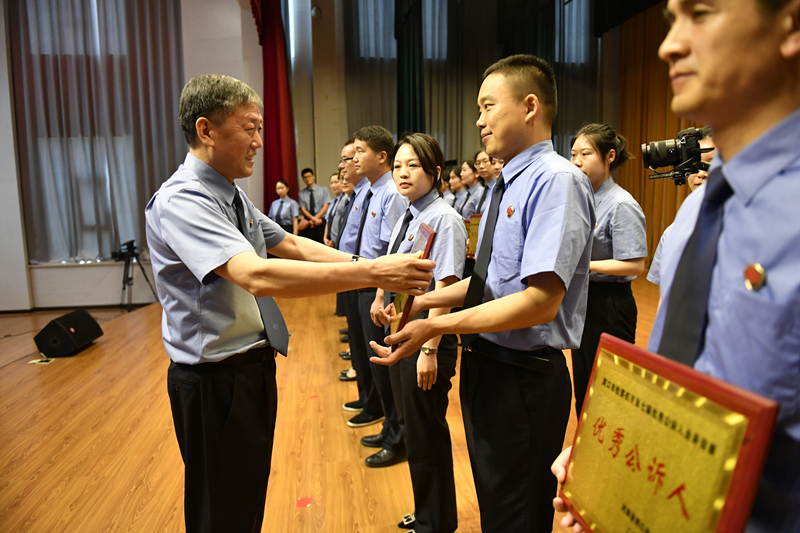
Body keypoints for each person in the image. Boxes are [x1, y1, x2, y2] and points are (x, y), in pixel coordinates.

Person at [144, 74, 435, 533]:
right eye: (250, 127)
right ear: (206, 130)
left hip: (249, 367)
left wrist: (371, 264)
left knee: (243, 498)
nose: (259, 141)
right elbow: (255, 274)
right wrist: (375, 272)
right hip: (212, 380)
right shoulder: (184, 199)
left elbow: (294, 247)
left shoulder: (230, 194)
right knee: (219, 509)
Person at [554, 0, 800, 531]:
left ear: (791, 24)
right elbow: (679, 378)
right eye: (671, 20)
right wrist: (607, 468)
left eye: (702, 14)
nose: (669, 45)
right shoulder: (695, 211)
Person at [372, 54, 595, 533]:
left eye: (488, 106)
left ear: (530, 106)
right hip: (488, 368)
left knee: (516, 514)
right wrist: (421, 304)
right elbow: (491, 282)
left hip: (524, 376)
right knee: (497, 506)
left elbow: (541, 300)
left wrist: (436, 326)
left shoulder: (556, 181)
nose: (479, 120)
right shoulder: (507, 183)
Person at [371, 133, 468, 533]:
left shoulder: (444, 218)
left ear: (435, 171)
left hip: (427, 342)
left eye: (413, 165)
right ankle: (429, 512)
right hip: (406, 336)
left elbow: (445, 287)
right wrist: (383, 299)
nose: (403, 173)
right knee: (416, 431)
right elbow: (397, 269)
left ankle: (437, 523)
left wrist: (430, 349)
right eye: (397, 166)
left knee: (427, 434)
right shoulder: (410, 214)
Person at [569, 123, 647, 415]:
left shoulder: (621, 204)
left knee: (608, 394)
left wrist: (580, 265)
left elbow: (634, 265)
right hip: (583, 301)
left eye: (585, 153)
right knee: (585, 391)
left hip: (610, 305)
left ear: (610, 156)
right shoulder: (580, 198)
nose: (577, 161)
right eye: (573, 153)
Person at [349, 125, 408, 468]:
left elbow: (392, 250)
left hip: (378, 289)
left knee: (384, 369)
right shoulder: (370, 191)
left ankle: (396, 436)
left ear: (381, 156)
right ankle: (388, 426)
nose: (355, 158)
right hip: (364, 283)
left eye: (360, 151)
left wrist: (379, 293)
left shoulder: (390, 194)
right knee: (371, 363)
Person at [647, 127, 714, 286]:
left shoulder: (744, 227)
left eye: (710, 163)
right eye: (694, 164)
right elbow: (666, 296)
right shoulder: (673, 232)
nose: (701, 173)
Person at [297, 167, 330, 244]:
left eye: (309, 176)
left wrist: (316, 218)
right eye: (305, 177)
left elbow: (325, 207)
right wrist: (313, 219)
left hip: (321, 221)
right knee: (309, 245)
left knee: (322, 245)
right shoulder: (301, 193)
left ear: (313, 176)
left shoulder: (323, 189)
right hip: (308, 223)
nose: (307, 179)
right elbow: (303, 209)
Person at [323, 172, 343, 247]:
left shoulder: (346, 201)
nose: (333, 185)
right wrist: (325, 237)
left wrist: (334, 241)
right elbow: (328, 221)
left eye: (336, 182)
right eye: (331, 183)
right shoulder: (332, 202)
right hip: (329, 239)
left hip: (338, 241)